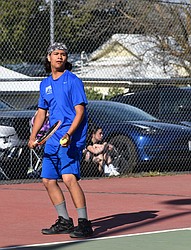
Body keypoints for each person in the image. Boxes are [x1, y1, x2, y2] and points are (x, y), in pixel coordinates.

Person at [28, 42, 93, 238]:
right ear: (49, 57)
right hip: (53, 139)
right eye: (56, 54)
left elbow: (79, 111)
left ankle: (84, 223)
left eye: (63, 54)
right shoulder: (45, 84)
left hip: (70, 138)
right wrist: (33, 137)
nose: (60, 57)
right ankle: (64, 221)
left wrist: (69, 134)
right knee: (48, 180)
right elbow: (41, 112)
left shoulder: (73, 81)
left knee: (68, 178)